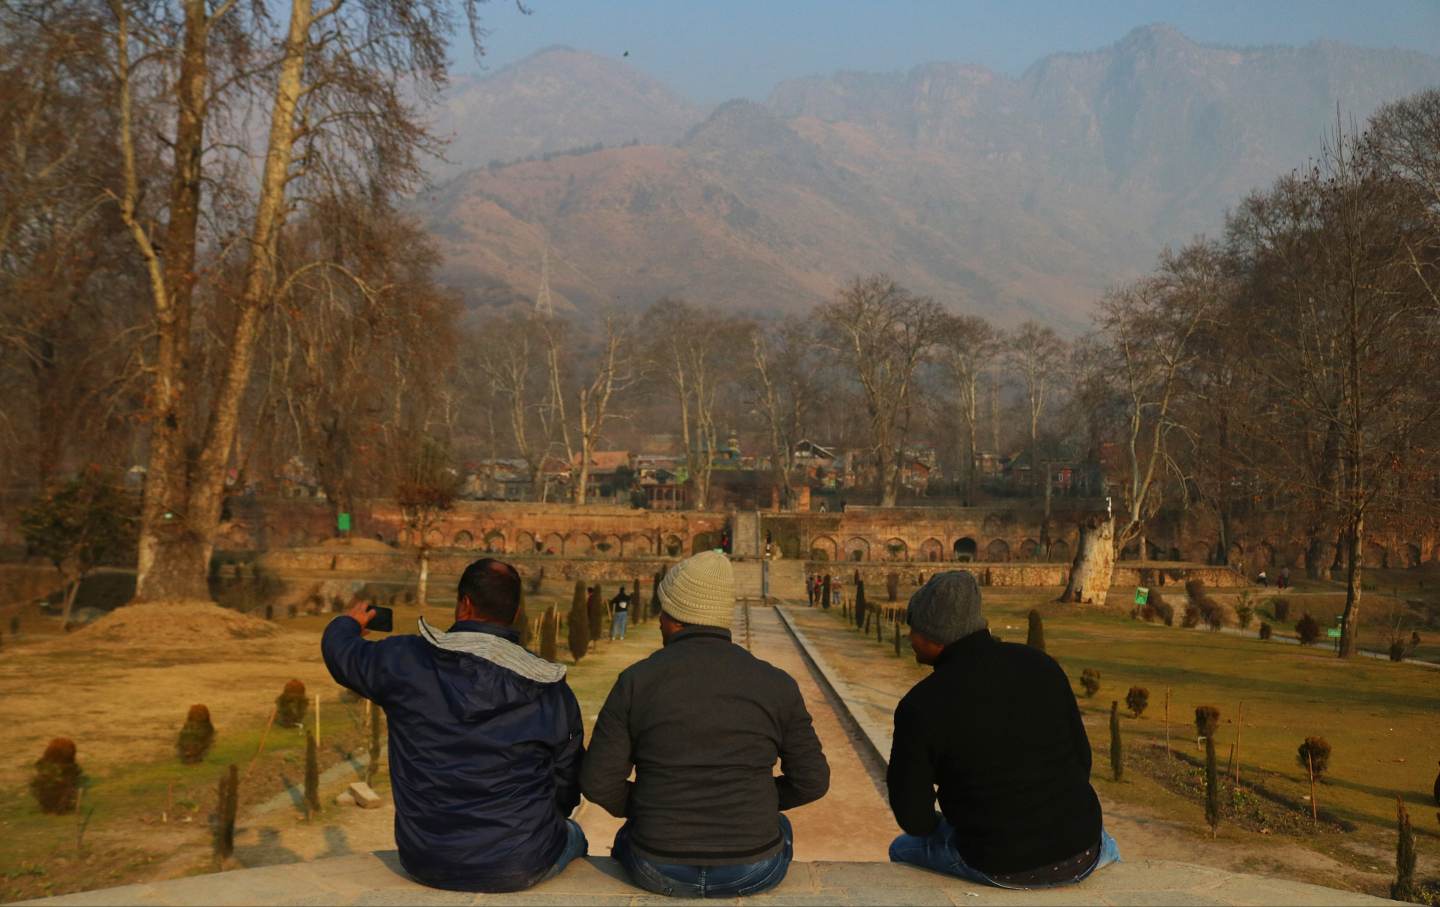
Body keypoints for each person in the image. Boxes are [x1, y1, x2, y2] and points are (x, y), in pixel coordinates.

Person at [321, 559, 587, 892]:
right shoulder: (549, 687)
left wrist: (347, 623)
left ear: (464, 604)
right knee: (575, 835)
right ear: (517, 612)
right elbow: (567, 779)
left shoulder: (406, 661)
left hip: (425, 857)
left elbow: (341, 654)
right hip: (519, 861)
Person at [582, 550, 830, 898]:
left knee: (631, 834)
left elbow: (597, 782)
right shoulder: (775, 683)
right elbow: (813, 781)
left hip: (657, 866)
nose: (658, 622)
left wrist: (655, 804)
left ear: (674, 617)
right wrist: (751, 802)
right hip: (751, 869)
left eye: (662, 613)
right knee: (779, 828)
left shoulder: (637, 681)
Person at [887, 571, 1119, 889]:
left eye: (914, 629)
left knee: (902, 847)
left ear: (935, 637)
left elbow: (914, 818)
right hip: (1083, 850)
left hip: (998, 862)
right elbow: (1082, 760)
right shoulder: (1041, 665)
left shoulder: (921, 705)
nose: (910, 637)